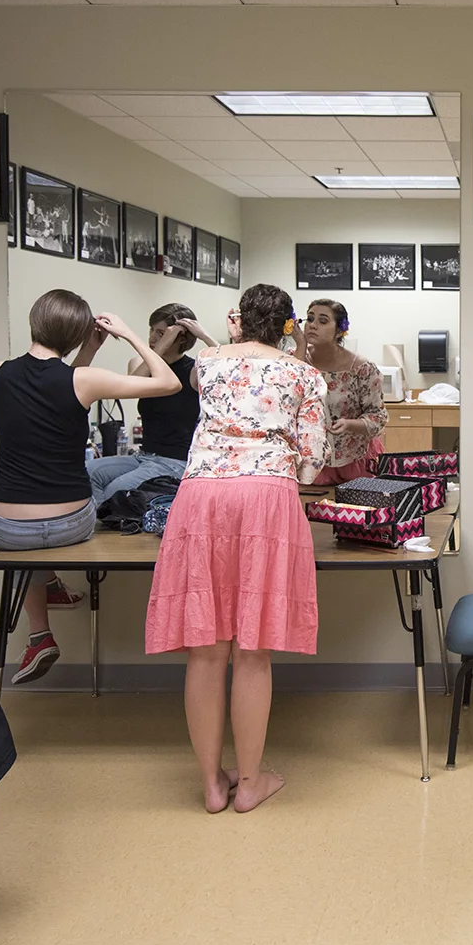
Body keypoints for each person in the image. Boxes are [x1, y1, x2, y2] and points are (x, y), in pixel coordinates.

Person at [144, 285, 327, 815]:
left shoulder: (208, 364)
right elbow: (312, 461)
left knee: (206, 650)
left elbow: (212, 372)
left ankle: (209, 784)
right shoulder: (303, 375)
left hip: (201, 497)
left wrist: (230, 337)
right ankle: (248, 783)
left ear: (238, 320)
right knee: (253, 649)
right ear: (289, 325)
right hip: (265, 497)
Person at [0, 289, 178, 685]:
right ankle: (49, 586)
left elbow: (56, 392)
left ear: (35, 322)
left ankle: (40, 631)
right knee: (44, 535)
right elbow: (168, 382)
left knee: (23, 535)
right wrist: (129, 335)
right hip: (71, 523)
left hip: (4, 525)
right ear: (74, 336)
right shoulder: (83, 379)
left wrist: (84, 350)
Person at [83, 303, 213, 511]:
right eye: (152, 330)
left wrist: (204, 335)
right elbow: (129, 386)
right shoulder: (138, 363)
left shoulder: (193, 370)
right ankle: (97, 521)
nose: (152, 338)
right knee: (87, 471)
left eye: (160, 333)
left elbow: (231, 364)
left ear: (181, 339)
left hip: (175, 462)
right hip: (143, 456)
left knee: (115, 492)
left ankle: (107, 521)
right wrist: (161, 346)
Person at [299, 298, 389, 485]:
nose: (313, 326)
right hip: (310, 461)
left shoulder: (361, 369)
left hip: (353, 460)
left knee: (354, 511)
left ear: (339, 330)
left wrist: (349, 424)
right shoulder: (297, 358)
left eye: (323, 321)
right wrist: (299, 345)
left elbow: (378, 417)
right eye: (310, 319)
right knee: (313, 510)